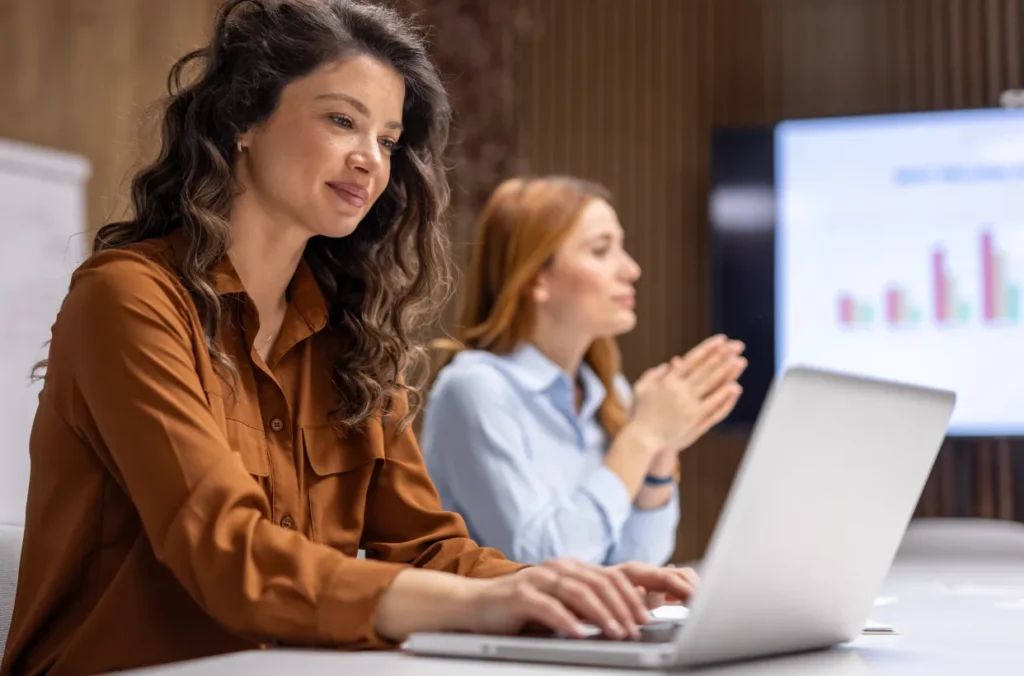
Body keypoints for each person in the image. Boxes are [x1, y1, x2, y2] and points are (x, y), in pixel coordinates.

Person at [0, 3, 701, 675]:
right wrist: (481, 603)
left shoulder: (350, 338)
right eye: (343, 120)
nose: (370, 159)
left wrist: (573, 591)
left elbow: (426, 549)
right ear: (244, 119)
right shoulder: (128, 299)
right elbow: (227, 551)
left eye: (389, 142)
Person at [421, 176, 747, 566]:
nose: (631, 269)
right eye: (601, 250)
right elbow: (544, 563)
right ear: (536, 277)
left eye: (621, 249)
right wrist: (642, 436)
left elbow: (638, 562)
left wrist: (661, 455)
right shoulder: (475, 388)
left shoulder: (609, 391)